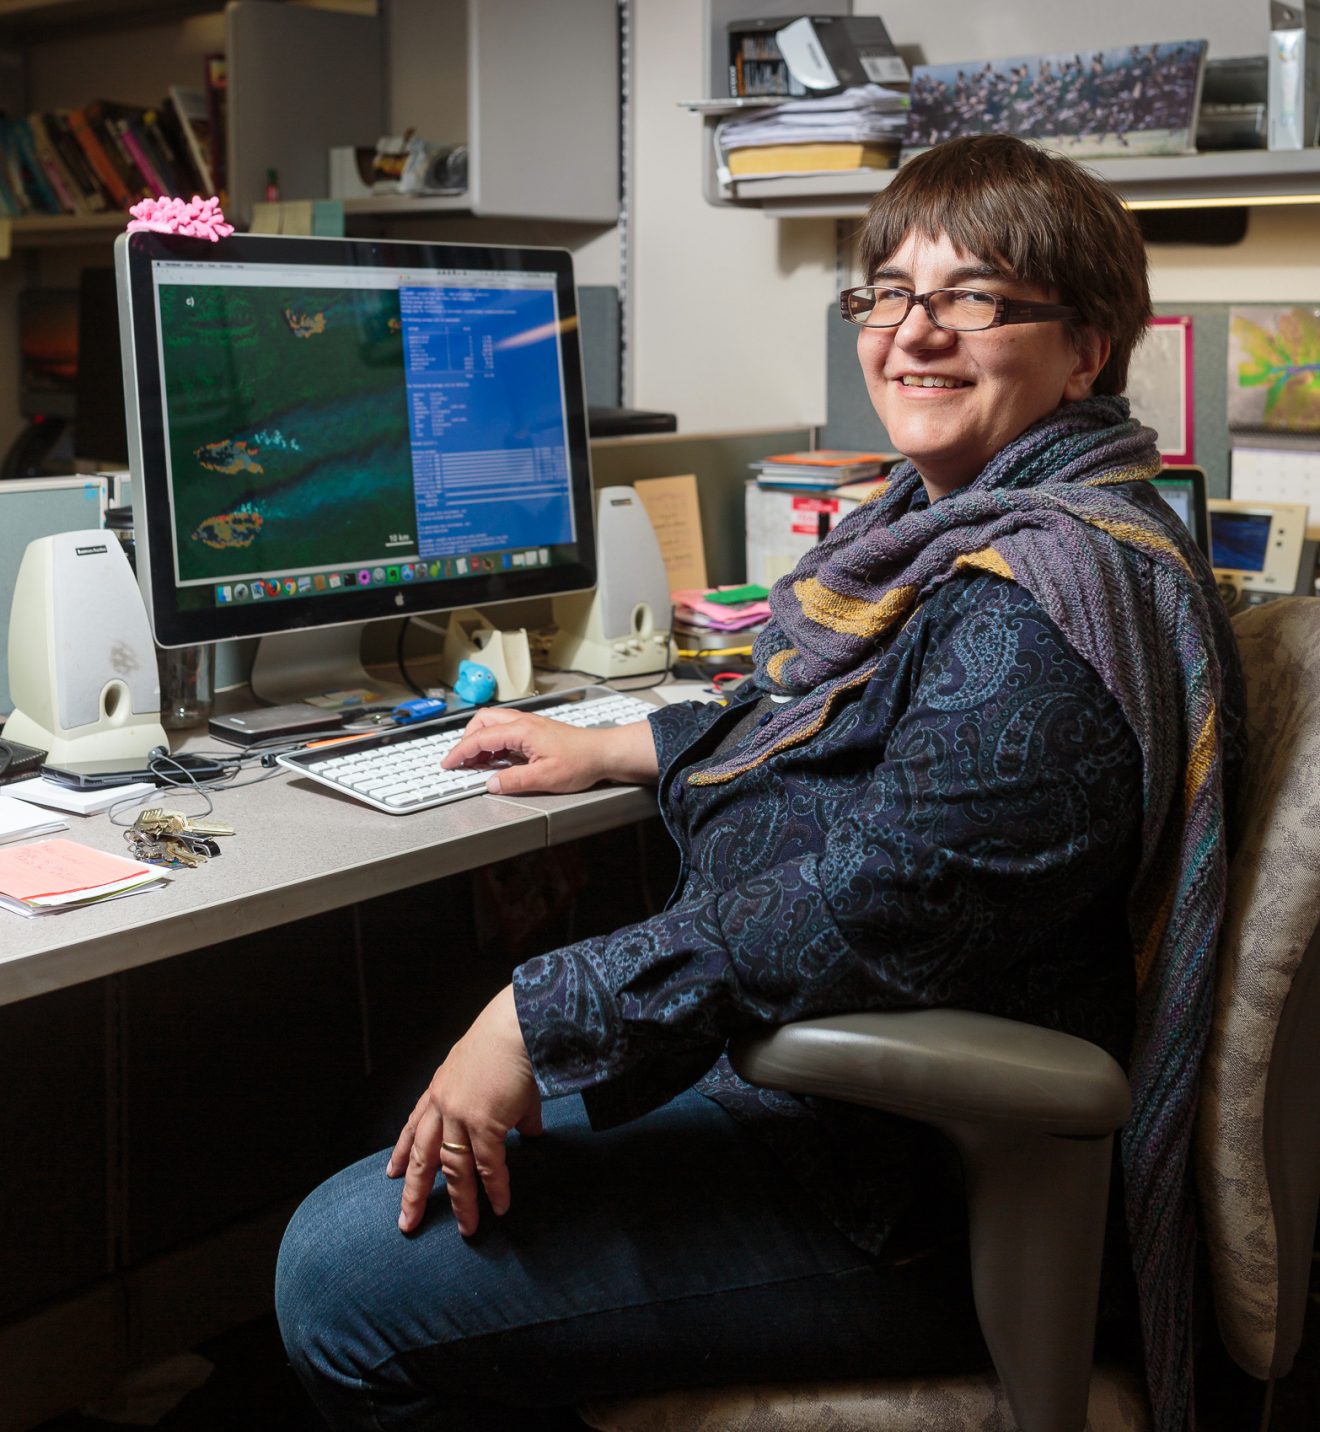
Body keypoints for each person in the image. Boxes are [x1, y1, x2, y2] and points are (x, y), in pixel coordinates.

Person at [276, 134, 1243, 1432]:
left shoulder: (1042, 607)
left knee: (337, 1278)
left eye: (975, 296)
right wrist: (631, 746)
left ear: (1086, 350)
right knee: (391, 1098)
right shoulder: (984, 532)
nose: (914, 334)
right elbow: (850, 736)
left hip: (908, 1190)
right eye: (887, 292)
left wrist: (531, 1014)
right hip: (840, 1110)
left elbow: (881, 892)